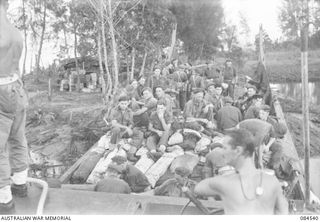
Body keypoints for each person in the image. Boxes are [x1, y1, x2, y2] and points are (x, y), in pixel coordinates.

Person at [194, 129, 288, 215]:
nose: (222, 152)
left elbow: (198, 188)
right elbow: (283, 211)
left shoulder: (223, 182)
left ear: (238, 150)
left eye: (225, 148)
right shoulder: (272, 182)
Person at [0, 0, 29, 214]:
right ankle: (20, 184)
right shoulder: (16, 32)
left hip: (1, 90)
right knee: (18, 138)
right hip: (17, 88)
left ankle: (4, 199)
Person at [108, 96, 144, 161]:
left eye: (125, 104)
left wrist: (129, 128)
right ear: (119, 103)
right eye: (122, 103)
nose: (124, 105)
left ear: (128, 103)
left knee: (139, 133)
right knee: (116, 129)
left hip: (125, 132)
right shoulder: (114, 110)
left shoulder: (129, 111)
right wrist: (126, 127)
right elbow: (114, 123)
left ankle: (131, 153)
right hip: (117, 131)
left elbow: (131, 123)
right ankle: (112, 147)